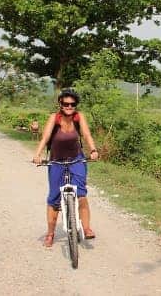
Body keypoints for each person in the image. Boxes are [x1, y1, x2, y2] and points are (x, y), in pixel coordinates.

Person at [33, 88, 99, 247]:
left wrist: (93, 150)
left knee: (81, 194)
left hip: (76, 159)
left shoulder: (78, 117)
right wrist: (37, 154)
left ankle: (87, 227)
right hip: (56, 160)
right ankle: (50, 234)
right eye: (66, 103)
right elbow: (46, 137)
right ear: (60, 104)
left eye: (72, 104)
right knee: (54, 198)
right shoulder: (54, 118)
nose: (69, 106)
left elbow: (87, 135)